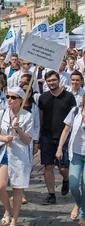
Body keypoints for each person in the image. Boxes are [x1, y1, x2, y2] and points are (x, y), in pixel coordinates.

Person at [0, 87, 33, 226]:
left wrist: (19, 129)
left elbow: (28, 140)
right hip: (5, 153)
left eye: (13, 97)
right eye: (8, 96)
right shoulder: (2, 112)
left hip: (20, 156)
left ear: (21, 100)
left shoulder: (27, 116)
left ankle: (14, 220)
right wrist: (4, 138)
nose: (9, 99)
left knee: (17, 189)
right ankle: (7, 209)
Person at [38, 71, 77, 205]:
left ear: (59, 80)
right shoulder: (43, 97)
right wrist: (39, 136)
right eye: (48, 81)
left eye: (53, 80)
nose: (51, 83)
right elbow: (40, 117)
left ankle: (66, 179)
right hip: (47, 135)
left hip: (64, 136)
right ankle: (51, 195)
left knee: (62, 167)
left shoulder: (69, 97)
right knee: (48, 166)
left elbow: (73, 118)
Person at [56, 95, 85, 226]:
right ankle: (78, 203)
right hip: (76, 153)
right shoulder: (75, 111)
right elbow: (66, 129)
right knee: (73, 184)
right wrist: (60, 148)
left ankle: (83, 215)